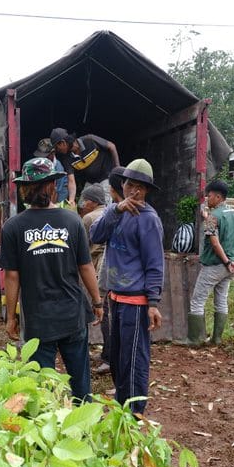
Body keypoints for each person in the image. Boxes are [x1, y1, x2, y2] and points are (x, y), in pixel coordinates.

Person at [0, 157, 103, 403]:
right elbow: (86, 266)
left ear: (25, 189)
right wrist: (97, 302)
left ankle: (49, 431)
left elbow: (12, 276)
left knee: (43, 386)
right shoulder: (72, 221)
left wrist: (11, 317)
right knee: (80, 383)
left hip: (38, 320)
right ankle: (84, 428)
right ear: (51, 187)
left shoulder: (13, 227)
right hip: (72, 315)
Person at [89, 158, 164, 414]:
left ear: (147, 191)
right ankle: (122, 404)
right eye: (131, 185)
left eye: (141, 188)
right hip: (115, 297)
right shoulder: (116, 213)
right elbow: (95, 236)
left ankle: (135, 412)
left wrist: (153, 303)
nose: (135, 192)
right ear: (123, 185)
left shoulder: (149, 220)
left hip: (136, 302)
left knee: (134, 360)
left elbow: (155, 264)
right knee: (118, 358)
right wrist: (116, 210)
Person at [186, 180, 234, 346]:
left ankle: (194, 340)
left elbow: (215, 242)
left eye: (208, 196)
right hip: (230, 266)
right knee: (221, 300)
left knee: (197, 301)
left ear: (218, 196)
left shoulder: (214, 217)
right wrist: (230, 263)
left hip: (216, 264)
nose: (207, 199)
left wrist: (225, 261)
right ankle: (216, 339)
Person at [79, 183, 111, 374]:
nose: (83, 204)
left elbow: (82, 248)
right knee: (109, 313)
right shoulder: (112, 212)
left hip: (96, 267)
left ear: (92, 202)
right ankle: (108, 353)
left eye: (85, 200)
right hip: (112, 267)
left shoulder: (88, 218)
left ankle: (108, 358)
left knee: (102, 312)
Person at [51, 127, 120, 208]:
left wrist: (117, 170)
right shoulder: (66, 158)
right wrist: (72, 200)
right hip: (91, 181)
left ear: (63, 143)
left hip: (106, 177)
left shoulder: (90, 140)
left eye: (56, 147)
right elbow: (71, 180)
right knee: (82, 206)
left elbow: (112, 146)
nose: (57, 150)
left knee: (102, 205)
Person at [34, 137, 70, 206]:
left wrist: (50, 209)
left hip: (58, 197)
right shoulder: (37, 163)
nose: (43, 158)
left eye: (45, 156)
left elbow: (55, 192)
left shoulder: (58, 169)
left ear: (53, 153)